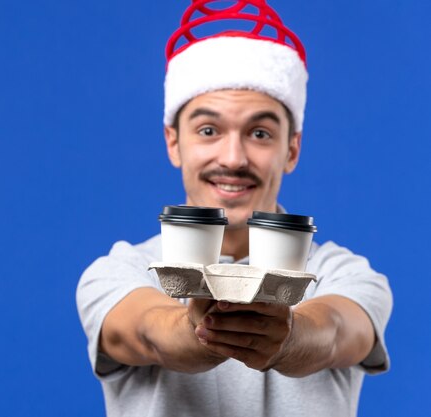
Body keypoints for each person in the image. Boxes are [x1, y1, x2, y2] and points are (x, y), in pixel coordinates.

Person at [76, 1, 392, 416]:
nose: (233, 158)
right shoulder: (120, 271)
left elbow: (335, 333)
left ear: (292, 149)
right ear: (174, 142)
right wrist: (195, 330)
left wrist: (290, 335)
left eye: (259, 133)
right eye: (209, 130)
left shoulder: (345, 274)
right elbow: (146, 332)